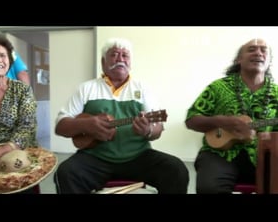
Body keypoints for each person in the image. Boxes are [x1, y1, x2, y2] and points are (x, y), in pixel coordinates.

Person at [54, 37, 189, 194]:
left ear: (130, 63)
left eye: (125, 55)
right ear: (103, 62)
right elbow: (60, 126)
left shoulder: (142, 88)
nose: (120, 59)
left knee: (176, 170)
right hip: (95, 157)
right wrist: (87, 124)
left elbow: (157, 127)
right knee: (65, 173)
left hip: (139, 157)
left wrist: (148, 131)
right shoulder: (86, 88)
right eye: (114, 54)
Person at [185, 38, 278, 194]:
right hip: (219, 154)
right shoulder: (218, 87)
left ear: (269, 60)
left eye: (263, 50)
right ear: (239, 59)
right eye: (252, 49)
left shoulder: (276, 93)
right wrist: (220, 121)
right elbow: (191, 120)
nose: (258, 53)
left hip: (264, 156)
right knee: (209, 188)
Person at [0, 34, 38, 193]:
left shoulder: (22, 90)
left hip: (16, 152)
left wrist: (1, 151)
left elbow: (27, 126)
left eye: (3, 55)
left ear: (9, 62)